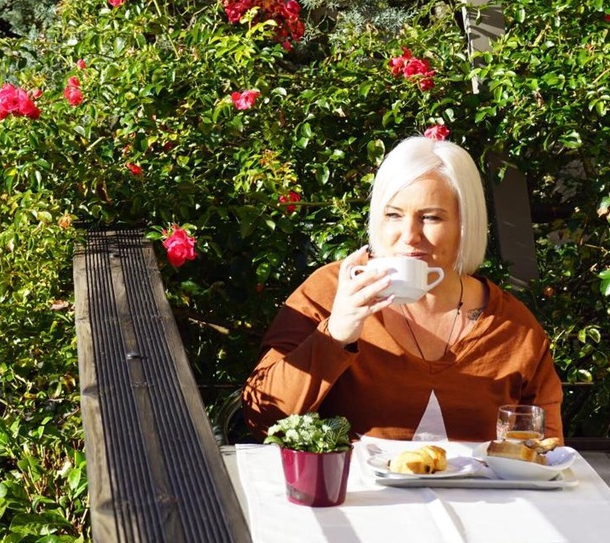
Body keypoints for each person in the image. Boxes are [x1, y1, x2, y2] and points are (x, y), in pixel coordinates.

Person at [242, 135, 564, 442]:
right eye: (394, 215)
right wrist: (336, 334)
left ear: (466, 225)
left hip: (479, 499)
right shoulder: (331, 292)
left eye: (431, 218)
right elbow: (263, 419)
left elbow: (546, 449)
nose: (409, 235)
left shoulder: (514, 329)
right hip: (359, 499)